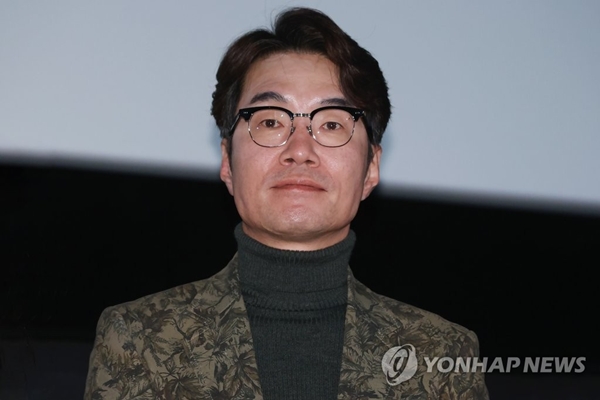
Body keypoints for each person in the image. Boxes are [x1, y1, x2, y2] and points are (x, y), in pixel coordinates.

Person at [84, 7, 489, 400]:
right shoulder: (138, 337)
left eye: (331, 123)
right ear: (227, 161)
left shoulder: (442, 354)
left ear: (371, 168)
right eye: (271, 121)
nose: (299, 151)